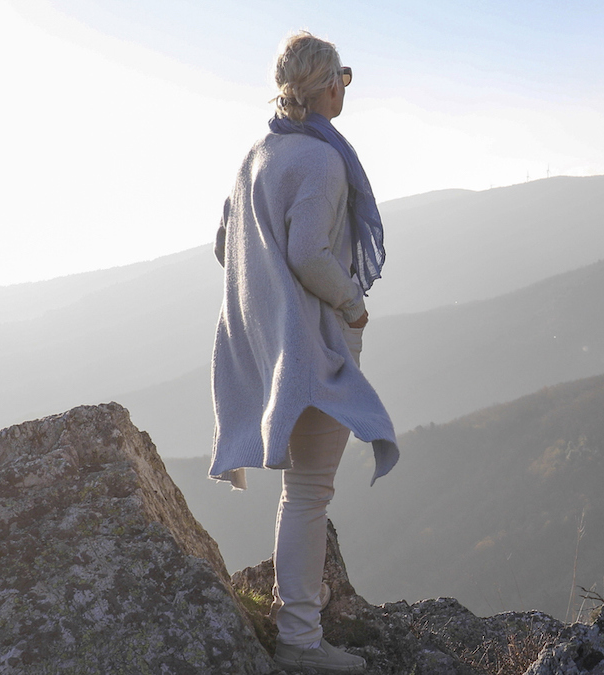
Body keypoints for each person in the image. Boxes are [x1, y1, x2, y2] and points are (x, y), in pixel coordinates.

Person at [209, 31, 398, 674]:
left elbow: (224, 244)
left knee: (302, 490)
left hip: (273, 345)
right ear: (322, 86)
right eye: (344, 74)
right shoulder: (322, 160)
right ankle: (300, 643)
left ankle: (299, 632)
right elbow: (308, 254)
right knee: (311, 489)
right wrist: (351, 303)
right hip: (316, 343)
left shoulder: (256, 154)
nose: (348, 84)